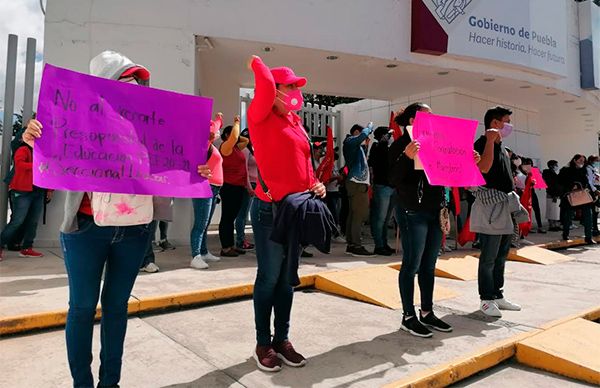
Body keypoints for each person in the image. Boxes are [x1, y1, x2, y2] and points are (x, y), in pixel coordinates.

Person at [22, 51, 212, 387]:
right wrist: (35, 134)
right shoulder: (76, 118)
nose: (135, 86)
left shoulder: (151, 125)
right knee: (81, 308)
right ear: (104, 87)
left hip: (136, 230)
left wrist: (200, 159)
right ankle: (83, 384)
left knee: (116, 308)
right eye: (126, 81)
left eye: (139, 81)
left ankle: (111, 383)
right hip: (85, 229)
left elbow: (176, 162)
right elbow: (49, 150)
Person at [247, 54, 326, 372]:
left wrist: (316, 183)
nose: (295, 91)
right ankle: (262, 344)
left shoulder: (296, 123)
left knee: (286, 281)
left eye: (296, 85)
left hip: (296, 208)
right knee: (268, 278)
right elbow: (264, 87)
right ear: (274, 89)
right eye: (288, 86)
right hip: (269, 210)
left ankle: (282, 340)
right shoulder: (259, 117)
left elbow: (303, 165)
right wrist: (258, 66)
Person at [388, 102, 454, 337]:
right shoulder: (400, 145)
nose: (432, 119)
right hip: (411, 212)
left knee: (429, 265)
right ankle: (408, 316)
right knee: (412, 264)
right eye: (426, 116)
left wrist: (468, 161)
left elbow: (450, 171)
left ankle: (427, 312)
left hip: (434, 210)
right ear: (412, 121)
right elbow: (392, 178)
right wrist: (406, 157)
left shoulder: (438, 143)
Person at [472, 106, 522, 317]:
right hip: (491, 207)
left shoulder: (502, 147)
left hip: (506, 206)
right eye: (506, 121)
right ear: (494, 123)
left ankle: (497, 294)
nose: (508, 125)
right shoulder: (482, 144)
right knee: (489, 257)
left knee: (502, 255)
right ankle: (486, 299)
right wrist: (490, 141)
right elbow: (483, 168)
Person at [0, 137, 50, 259]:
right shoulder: (23, 149)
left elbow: (49, 172)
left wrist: (50, 190)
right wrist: (39, 165)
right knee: (17, 221)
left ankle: (27, 248)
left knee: (32, 222)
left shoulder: (43, 153)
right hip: (22, 191)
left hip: (38, 191)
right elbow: (20, 165)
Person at [190, 113, 225, 269]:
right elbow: (214, 129)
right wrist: (217, 118)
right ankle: (195, 255)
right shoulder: (204, 142)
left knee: (205, 223)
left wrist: (218, 119)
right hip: (205, 187)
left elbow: (215, 128)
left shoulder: (210, 144)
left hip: (213, 188)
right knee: (200, 224)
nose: (217, 133)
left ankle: (203, 252)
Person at [343, 123, 376, 257]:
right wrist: (369, 128)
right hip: (357, 183)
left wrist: (366, 146)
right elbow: (361, 136)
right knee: (359, 215)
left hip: (356, 182)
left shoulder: (355, 146)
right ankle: (356, 245)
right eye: (362, 133)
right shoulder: (350, 141)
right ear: (356, 132)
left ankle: (351, 243)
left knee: (353, 214)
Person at [218, 117, 249, 257]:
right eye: (232, 135)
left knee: (231, 218)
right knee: (227, 218)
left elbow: (245, 140)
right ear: (226, 136)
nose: (236, 137)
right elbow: (235, 137)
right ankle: (225, 247)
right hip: (229, 186)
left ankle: (230, 245)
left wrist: (235, 133)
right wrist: (236, 122)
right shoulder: (226, 147)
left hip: (238, 187)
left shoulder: (236, 147)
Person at [368, 126, 395, 256]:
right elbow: (375, 161)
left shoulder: (389, 149)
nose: (391, 138)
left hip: (391, 186)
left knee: (386, 219)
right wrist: (384, 142)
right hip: (382, 186)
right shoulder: (377, 147)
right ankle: (378, 245)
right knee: (380, 218)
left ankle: (384, 243)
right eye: (389, 135)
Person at [559, 154, 595, 244]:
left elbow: (587, 182)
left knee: (588, 217)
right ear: (574, 160)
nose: (582, 162)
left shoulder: (584, 170)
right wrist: (571, 186)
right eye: (580, 160)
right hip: (571, 196)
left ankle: (588, 237)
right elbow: (561, 182)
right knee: (568, 217)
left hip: (583, 196)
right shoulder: (566, 170)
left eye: (583, 161)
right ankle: (565, 234)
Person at [234, 128, 257, 251]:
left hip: (255, 184)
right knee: (242, 214)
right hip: (248, 185)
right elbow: (245, 170)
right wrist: (248, 186)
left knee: (247, 213)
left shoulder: (252, 149)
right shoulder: (245, 150)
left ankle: (242, 239)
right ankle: (240, 240)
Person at [542, 160, 563, 231]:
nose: (557, 166)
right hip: (552, 195)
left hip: (555, 194)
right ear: (551, 166)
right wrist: (554, 194)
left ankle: (555, 224)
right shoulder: (548, 174)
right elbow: (550, 186)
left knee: (555, 211)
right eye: (555, 165)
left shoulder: (553, 174)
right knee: (551, 210)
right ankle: (551, 225)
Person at [586, 155, 599, 237]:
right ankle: (593, 228)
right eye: (597, 161)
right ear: (591, 161)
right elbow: (590, 181)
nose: (598, 162)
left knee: (596, 211)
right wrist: (595, 190)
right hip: (594, 191)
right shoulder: (588, 169)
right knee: (594, 211)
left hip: (597, 189)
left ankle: (595, 228)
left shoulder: (595, 169)